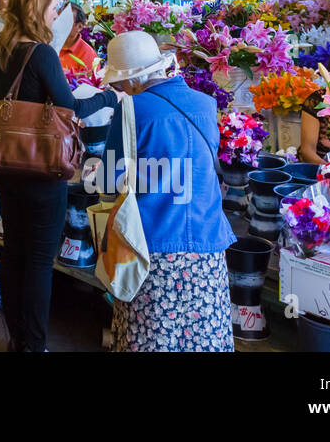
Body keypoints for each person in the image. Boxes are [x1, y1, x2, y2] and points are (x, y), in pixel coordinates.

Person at [0, 0, 119, 352]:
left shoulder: (0, 52)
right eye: (52, 5)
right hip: (41, 173)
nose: (56, 12)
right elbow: (70, 107)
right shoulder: (41, 54)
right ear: (36, 9)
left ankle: (17, 340)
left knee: (14, 254)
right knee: (40, 262)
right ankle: (35, 345)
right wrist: (106, 98)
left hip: (6, 168)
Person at [99, 30, 236, 352]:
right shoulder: (206, 104)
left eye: (118, 84)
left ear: (131, 80)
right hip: (207, 245)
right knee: (205, 341)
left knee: (151, 340)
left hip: (151, 248)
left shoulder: (131, 109)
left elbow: (108, 182)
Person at [59, 3, 98, 76]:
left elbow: (89, 85)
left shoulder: (88, 54)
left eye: (65, 20)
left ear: (79, 27)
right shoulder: (51, 46)